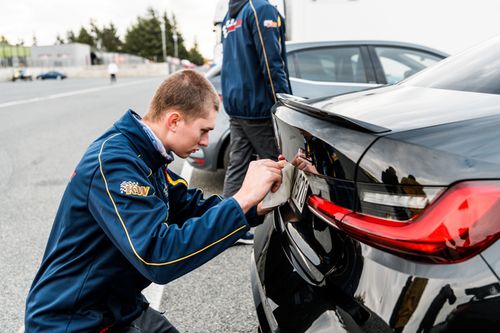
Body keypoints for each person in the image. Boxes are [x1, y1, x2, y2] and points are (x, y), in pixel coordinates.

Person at [25, 70, 284, 332]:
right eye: (203, 130)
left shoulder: (147, 155)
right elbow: (157, 256)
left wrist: (256, 205)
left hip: (117, 305)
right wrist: (240, 200)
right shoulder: (116, 162)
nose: (206, 142)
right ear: (174, 120)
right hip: (72, 319)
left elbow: (191, 207)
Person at [221, 0, 292, 244]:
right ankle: (288, 231)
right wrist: (281, 102)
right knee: (279, 165)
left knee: (238, 164)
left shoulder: (230, 15)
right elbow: (272, 64)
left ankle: (225, 227)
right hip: (259, 107)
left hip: (237, 104)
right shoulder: (260, 10)